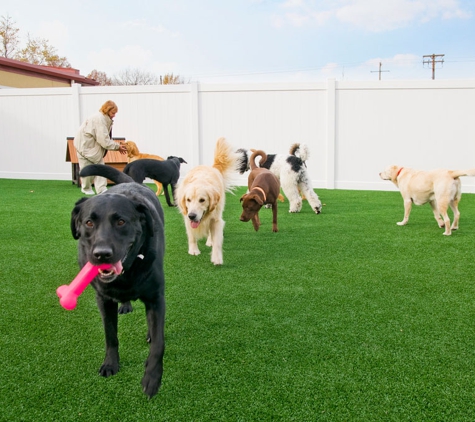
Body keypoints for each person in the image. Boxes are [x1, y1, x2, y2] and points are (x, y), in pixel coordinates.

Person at [73, 100, 127, 195]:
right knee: (87, 169)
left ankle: (101, 190)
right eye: (113, 113)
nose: (114, 115)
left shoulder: (103, 118)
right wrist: (118, 147)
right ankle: (87, 188)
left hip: (89, 146)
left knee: (99, 167)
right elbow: (104, 140)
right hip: (86, 147)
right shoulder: (99, 119)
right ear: (107, 110)